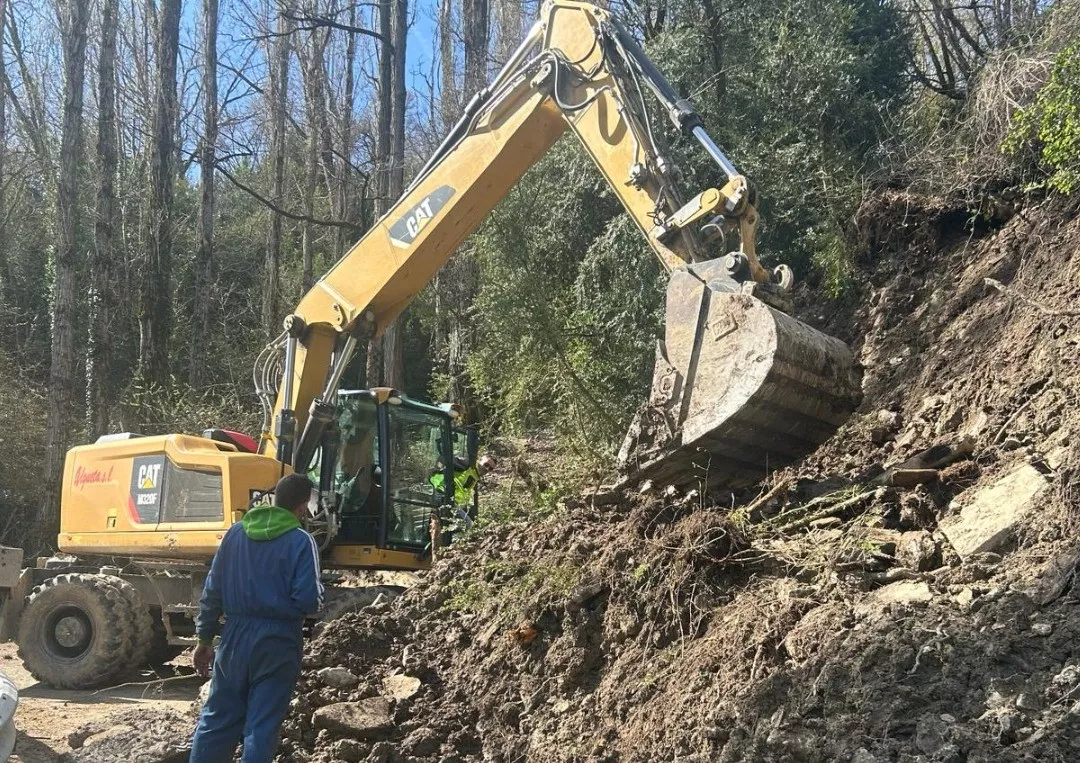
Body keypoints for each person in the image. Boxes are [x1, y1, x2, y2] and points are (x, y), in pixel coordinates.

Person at [189, 473, 323, 763]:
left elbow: (212, 590)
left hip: (234, 638)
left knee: (216, 720)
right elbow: (309, 599)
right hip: (277, 641)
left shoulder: (235, 533)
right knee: (261, 726)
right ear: (301, 507)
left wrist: (204, 639)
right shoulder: (301, 541)